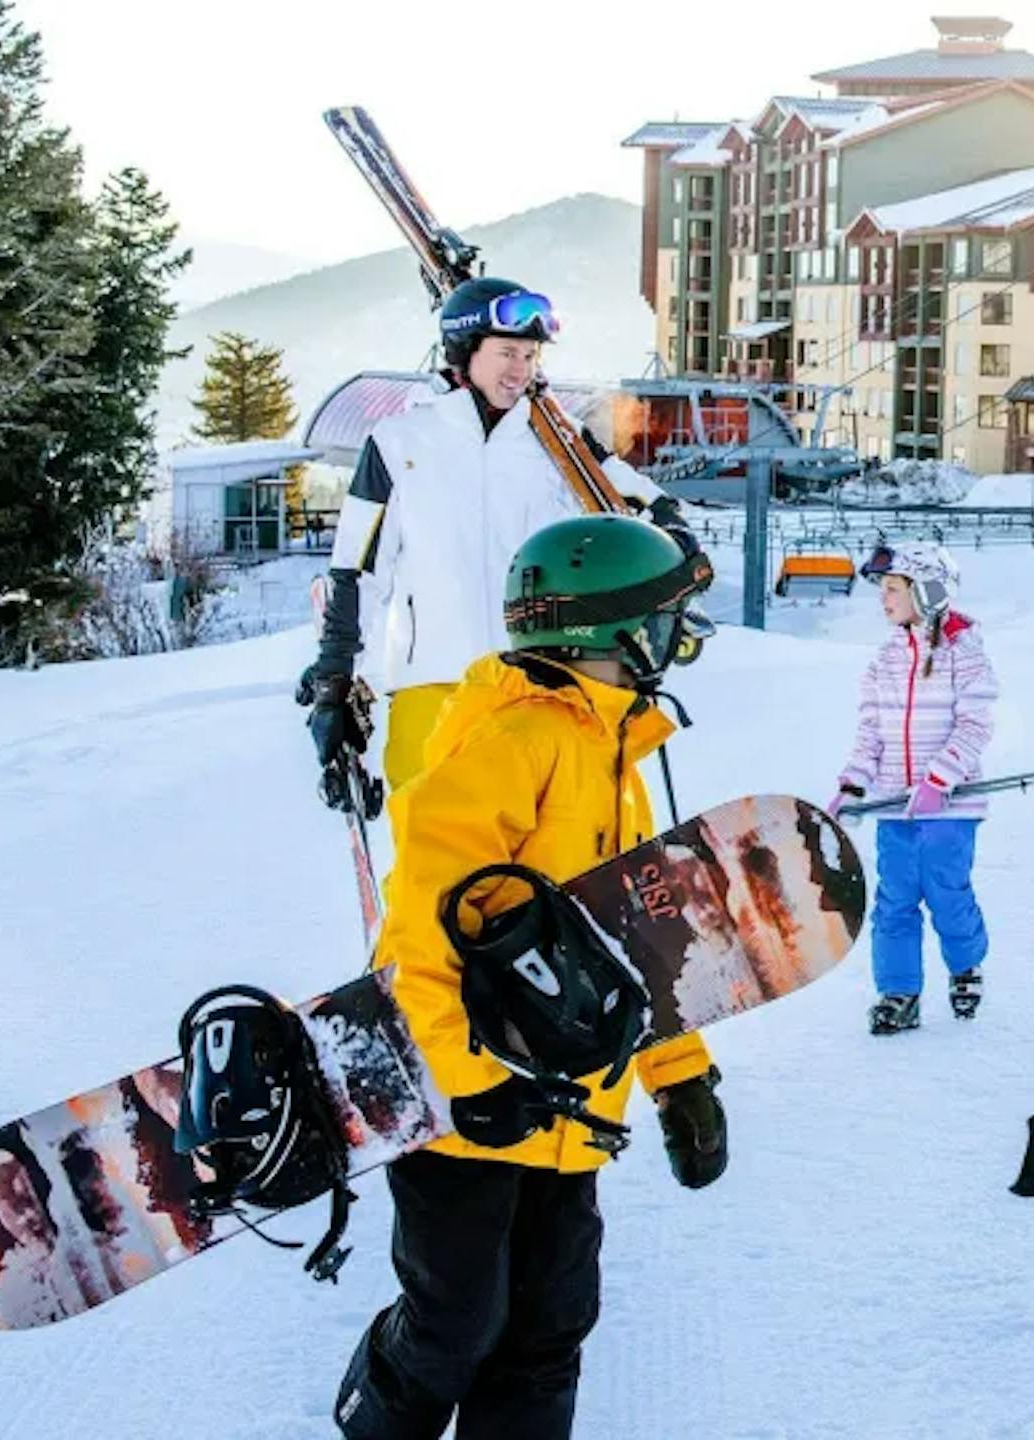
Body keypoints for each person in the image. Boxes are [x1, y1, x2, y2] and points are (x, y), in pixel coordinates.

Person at [334, 514, 726, 1439]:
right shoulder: (512, 742)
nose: (680, 638)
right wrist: (467, 1087)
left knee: (550, 1328)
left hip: (569, 1113)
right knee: (455, 1325)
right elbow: (418, 938)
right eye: (668, 618)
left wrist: (681, 1077)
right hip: (466, 1116)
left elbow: (633, 948)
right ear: (614, 631)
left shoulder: (614, 755)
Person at [298, 276, 707, 795]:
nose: (521, 370)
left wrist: (675, 536)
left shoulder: (559, 444)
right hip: (434, 687)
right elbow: (356, 571)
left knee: (555, 853)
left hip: (539, 685)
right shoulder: (399, 442)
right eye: (507, 352)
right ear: (465, 351)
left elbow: (634, 500)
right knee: (438, 857)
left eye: (531, 356)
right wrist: (336, 678)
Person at [828, 543, 999, 1035]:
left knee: (947, 894)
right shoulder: (885, 659)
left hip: (950, 808)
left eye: (892, 589)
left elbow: (975, 725)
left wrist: (940, 779)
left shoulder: (963, 654)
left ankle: (966, 965)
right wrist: (855, 784)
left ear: (927, 590)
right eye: (882, 589)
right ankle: (899, 993)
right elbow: (871, 731)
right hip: (894, 808)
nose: (883, 599)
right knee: (894, 901)